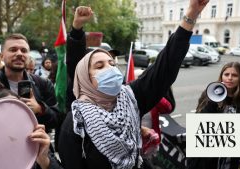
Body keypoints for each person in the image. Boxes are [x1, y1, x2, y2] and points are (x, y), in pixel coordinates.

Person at [59, 1, 209, 169]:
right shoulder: (75, 123)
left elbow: (164, 67)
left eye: (112, 64)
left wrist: (191, 14)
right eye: (100, 66)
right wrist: (77, 30)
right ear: (85, 79)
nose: (110, 69)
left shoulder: (130, 98)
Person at [188, 62, 240, 169]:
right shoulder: (210, 93)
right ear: (221, 76)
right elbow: (200, 121)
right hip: (207, 153)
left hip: (232, 155)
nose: (230, 78)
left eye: (234, 75)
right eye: (226, 74)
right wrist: (214, 99)